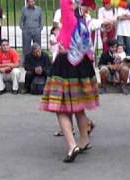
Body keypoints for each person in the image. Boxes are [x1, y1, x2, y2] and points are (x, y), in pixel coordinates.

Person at [40, 0, 112, 163]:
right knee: (78, 106)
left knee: (60, 107)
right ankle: (84, 140)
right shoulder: (84, 21)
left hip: (66, 63)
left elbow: (66, 4)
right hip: (83, 64)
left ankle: (72, 145)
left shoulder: (70, 17)